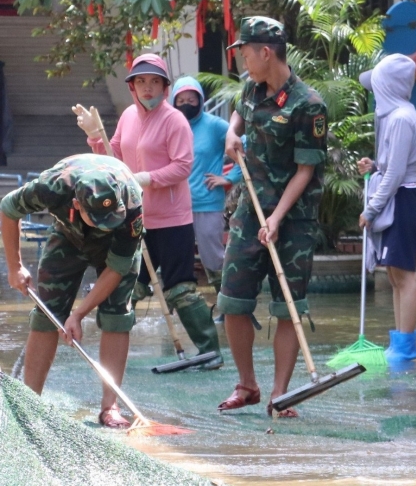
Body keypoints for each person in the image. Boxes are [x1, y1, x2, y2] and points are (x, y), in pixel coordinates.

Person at [76, 53, 222, 370]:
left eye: (154, 82)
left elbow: (183, 166)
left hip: (171, 219)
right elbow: (113, 154)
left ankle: (210, 350)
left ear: (164, 87)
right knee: (131, 283)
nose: (147, 88)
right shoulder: (129, 116)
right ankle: (112, 352)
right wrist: (93, 135)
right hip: (134, 216)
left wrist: (148, 178)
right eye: (141, 81)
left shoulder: (175, 121)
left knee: (180, 287)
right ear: (132, 86)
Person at [217, 16, 328, 417]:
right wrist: (232, 132)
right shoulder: (251, 87)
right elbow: (239, 112)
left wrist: (278, 217)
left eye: (245, 51)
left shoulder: (309, 105)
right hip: (250, 210)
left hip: (293, 218)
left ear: (266, 52)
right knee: (232, 299)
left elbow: (306, 170)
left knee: (288, 307)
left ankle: (280, 396)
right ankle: (246, 384)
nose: (242, 59)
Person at [1, 154, 144, 428]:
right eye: (100, 219)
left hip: (116, 247)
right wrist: (15, 267)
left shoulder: (131, 204)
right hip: (68, 236)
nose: (106, 223)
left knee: (117, 314)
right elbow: (8, 209)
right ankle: (31, 402)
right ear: (77, 204)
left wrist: (78, 314)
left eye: (111, 217)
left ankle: (109, 407)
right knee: (47, 312)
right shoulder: (51, 187)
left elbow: (116, 269)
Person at [357, 54, 416, 363]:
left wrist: (371, 209)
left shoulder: (400, 118)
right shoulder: (397, 116)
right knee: (395, 274)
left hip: (404, 199)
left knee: (404, 273)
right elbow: (391, 165)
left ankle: (405, 347)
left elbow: (397, 174)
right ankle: (399, 341)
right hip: (399, 196)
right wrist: (374, 166)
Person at [170, 76, 241, 295]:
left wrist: (230, 178)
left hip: (208, 204)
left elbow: (243, 146)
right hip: (174, 207)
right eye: (180, 100)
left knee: (213, 259)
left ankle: (228, 305)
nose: (186, 104)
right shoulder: (169, 126)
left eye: (192, 99)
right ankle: (183, 308)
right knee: (176, 261)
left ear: (201, 100)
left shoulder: (215, 126)